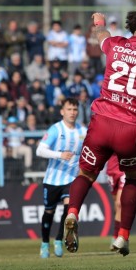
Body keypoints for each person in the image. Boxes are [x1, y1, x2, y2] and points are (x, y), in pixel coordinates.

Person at [63, 6, 136, 256]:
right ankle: (123, 236)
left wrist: (99, 21)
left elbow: (101, 34)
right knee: (134, 178)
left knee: (86, 174)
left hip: (102, 123)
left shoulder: (115, 44)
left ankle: (72, 212)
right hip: (132, 129)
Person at [35, 98, 87, 259]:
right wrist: (60, 155)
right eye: (69, 109)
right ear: (62, 111)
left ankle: (58, 239)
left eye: (75, 109)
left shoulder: (82, 131)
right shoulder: (55, 130)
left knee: (68, 211)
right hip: (52, 180)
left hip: (71, 179)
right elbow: (40, 151)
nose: (72, 113)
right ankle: (44, 243)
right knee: (49, 212)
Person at [105, 154, 125, 250]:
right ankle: (120, 234)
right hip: (111, 170)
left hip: (124, 170)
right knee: (116, 207)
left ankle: (116, 237)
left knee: (119, 203)